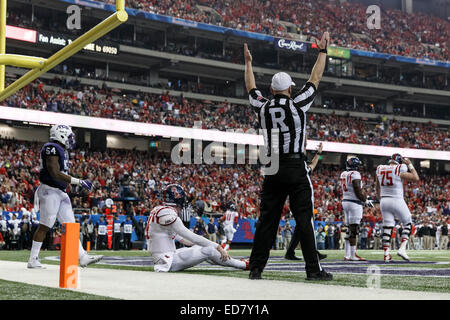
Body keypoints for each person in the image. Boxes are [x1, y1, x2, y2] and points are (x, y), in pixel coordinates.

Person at [245, 32, 332, 281]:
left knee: (267, 221)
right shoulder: (297, 104)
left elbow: (251, 88)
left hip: (272, 167)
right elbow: (316, 77)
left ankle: (256, 268)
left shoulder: (263, 106)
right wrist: (322, 51)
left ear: (272, 89)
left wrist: (249, 64)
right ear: (290, 88)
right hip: (295, 165)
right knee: (304, 220)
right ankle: (313, 270)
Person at [28, 125, 103, 268]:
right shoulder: (51, 147)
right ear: (60, 135)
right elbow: (54, 172)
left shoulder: (61, 150)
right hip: (49, 190)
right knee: (45, 225)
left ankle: (82, 257)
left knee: (71, 225)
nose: (71, 140)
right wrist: (79, 181)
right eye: (68, 136)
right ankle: (33, 259)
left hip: (60, 192)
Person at [146, 184, 249, 272]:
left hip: (165, 256)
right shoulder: (168, 213)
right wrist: (218, 247)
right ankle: (244, 265)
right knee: (209, 250)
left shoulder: (159, 210)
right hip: (167, 260)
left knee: (201, 248)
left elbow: (185, 240)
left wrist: (199, 245)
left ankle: (227, 261)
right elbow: (191, 236)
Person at [284, 143, 327, 261]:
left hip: (300, 202)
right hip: (301, 202)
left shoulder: (302, 168)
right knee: (306, 225)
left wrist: (318, 154)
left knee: (300, 228)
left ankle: (290, 252)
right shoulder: (297, 169)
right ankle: (313, 253)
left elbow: (312, 165)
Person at [376, 153, 419, 262]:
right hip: (396, 199)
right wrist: (410, 165)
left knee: (387, 227)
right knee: (408, 222)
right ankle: (402, 248)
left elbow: (377, 187)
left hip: (384, 200)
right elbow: (415, 178)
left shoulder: (380, 168)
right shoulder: (400, 168)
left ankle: (386, 254)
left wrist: (381, 198)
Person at [340, 156, 373, 261]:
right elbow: (357, 190)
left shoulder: (343, 174)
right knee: (354, 229)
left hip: (345, 201)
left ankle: (347, 254)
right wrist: (365, 201)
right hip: (354, 203)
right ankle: (353, 255)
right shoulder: (355, 174)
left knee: (349, 229)